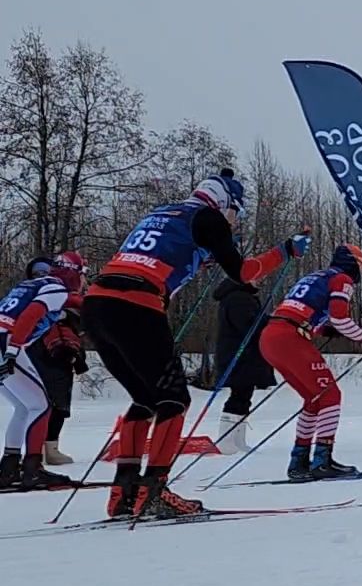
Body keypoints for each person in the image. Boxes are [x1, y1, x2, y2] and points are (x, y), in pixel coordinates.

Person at [83, 170, 306, 517]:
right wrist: (285, 251)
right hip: (136, 304)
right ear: (223, 204)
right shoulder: (210, 218)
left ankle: (124, 491)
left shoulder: (162, 213)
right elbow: (244, 273)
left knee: (144, 398)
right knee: (174, 399)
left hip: (97, 304)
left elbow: (169, 251)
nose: (234, 222)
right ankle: (154, 490)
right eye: (237, 213)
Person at [261, 245, 362, 480]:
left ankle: (299, 461)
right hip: (289, 337)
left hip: (271, 336)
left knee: (313, 399)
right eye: (360, 265)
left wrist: (322, 329)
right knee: (330, 396)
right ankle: (322, 460)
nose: (360, 272)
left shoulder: (316, 276)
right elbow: (339, 316)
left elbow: (300, 309)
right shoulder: (341, 279)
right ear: (351, 263)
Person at [0, 258, 82, 488]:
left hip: (5, 339)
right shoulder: (55, 287)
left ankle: (9, 467)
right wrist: (13, 349)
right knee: (41, 406)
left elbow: (76, 301)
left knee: (24, 407)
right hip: (6, 342)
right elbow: (32, 314)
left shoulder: (31, 285)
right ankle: (32, 468)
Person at [32, 252, 87, 466]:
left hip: (62, 352)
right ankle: (34, 451)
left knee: (59, 403)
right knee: (38, 403)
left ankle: (50, 447)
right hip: (39, 351)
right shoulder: (38, 293)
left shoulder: (69, 294)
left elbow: (81, 320)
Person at [213, 274, 275, 451]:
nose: (259, 281)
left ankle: (237, 440)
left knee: (244, 395)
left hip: (244, 355)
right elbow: (249, 325)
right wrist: (269, 321)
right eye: (255, 278)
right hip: (239, 355)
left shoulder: (242, 297)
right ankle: (226, 441)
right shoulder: (238, 298)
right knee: (239, 395)